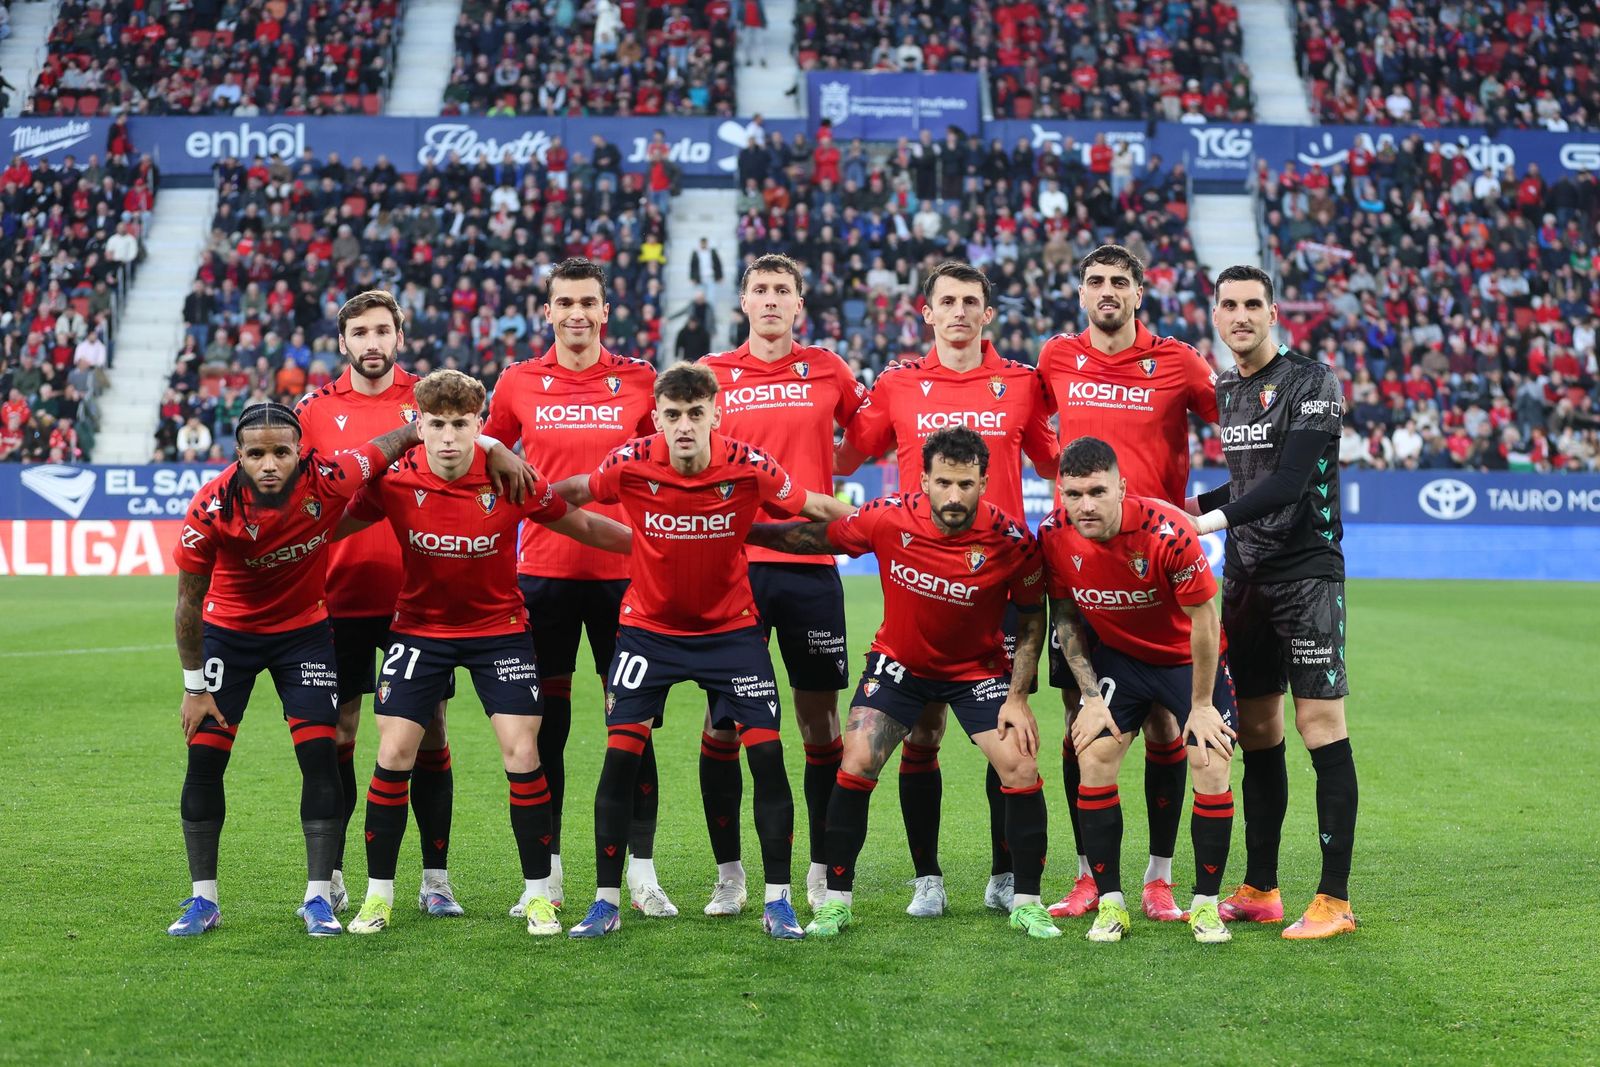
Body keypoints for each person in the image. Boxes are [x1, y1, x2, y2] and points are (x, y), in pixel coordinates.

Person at [551, 363, 850, 940]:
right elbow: (571, 495)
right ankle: (605, 901)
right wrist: (522, 493)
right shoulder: (630, 462)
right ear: (657, 417)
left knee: (766, 757)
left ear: (716, 412)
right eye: (672, 415)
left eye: (695, 414)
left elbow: (814, 506)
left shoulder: (749, 465)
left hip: (732, 634)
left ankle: (779, 900)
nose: (684, 426)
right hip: (648, 632)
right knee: (620, 759)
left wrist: (892, 526)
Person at [334, 370, 632, 936]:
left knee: (523, 754)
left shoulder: (512, 479)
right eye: (437, 425)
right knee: (394, 752)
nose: (449, 438)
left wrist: (653, 551)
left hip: (500, 630)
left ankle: (539, 894)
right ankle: (378, 897)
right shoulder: (394, 481)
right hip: (420, 631)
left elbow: (584, 525)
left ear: (479, 424)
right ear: (418, 425)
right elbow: (329, 523)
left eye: (462, 425)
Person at [748, 427, 1059, 940]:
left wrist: (1019, 698)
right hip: (900, 666)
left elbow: (1030, 622)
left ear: (985, 481)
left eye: (965, 484)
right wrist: (744, 531)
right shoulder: (890, 516)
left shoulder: (1012, 543)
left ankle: (1026, 900)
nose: (954, 496)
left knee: (1021, 766)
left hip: (975, 673)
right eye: (943, 483)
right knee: (857, 761)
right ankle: (837, 903)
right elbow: (812, 538)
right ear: (924, 480)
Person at [297, 290, 533, 917]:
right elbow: (304, 491)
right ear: (342, 342)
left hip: (420, 599)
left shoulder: (429, 396)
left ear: (399, 336)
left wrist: (494, 447)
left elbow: (463, 430)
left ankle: (435, 879)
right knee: (340, 733)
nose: (371, 343)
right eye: (359, 333)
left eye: (382, 331)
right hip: (341, 592)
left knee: (429, 734)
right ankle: (334, 875)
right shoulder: (313, 409)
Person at [836, 260, 1057, 916]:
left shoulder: (1019, 384)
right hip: (922, 576)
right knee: (922, 734)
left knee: (1007, 739)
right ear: (925, 312)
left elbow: (1054, 460)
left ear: (988, 312)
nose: (959, 311)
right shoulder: (899, 384)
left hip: (1000, 582)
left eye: (971, 301)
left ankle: (1004, 875)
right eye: (947, 301)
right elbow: (849, 453)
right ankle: (927, 877)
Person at [167, 402, 425, 938]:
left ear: (301, 452)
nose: (268, 464)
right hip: (228, 638)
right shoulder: (212, 508)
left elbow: (393, 443)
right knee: (205, 760)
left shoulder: (329, 478)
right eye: (255, 453)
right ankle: (202, 901)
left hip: (304, 635)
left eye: (281, 452)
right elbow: (187, 606)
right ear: (237, 456)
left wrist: (474, 439)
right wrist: (194, 688)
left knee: (320, 756)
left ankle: (317, 898)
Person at [1034, 244, 1221, 922]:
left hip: (1160, 565)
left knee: (1172, 729)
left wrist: (1205, 509)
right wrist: (1063, 491)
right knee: (1082, 725)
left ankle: (1160, 876)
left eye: (1118, 282)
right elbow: (1028, 428)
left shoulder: (1179, 362)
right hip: (1083, 571)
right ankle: (1088, 874)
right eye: (1094, 282)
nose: (1106, 291)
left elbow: (1237, 430)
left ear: (1140, 291)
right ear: (1081, 292)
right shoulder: (1056, 358)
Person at [481, 259, 666, 916]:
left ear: (606, 309)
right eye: (566, 302)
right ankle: (548, 873)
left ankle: (641, 873)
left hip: (627, 580)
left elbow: (664, 466)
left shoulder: (642, 379)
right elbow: (483, 455)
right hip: (542, 580)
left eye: (589, 301)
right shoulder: (518, 381)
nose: (577, 313)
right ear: (549, 311)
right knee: (544, 728)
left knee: (632, 726)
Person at [1188, 264, 1358, 940]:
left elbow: (1288, 481)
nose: (1240, 315)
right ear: (1217, 313)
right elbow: (1242, 483)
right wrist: (1178, 508)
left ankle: (1334, 899)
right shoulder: (1228, 385)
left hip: (1307, 572)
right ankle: (1261, 885)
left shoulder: (1312, 381)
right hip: (1247, 578)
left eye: (1252, 303)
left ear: (1273, 311)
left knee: (1321, 725)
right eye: (1229, 304)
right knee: (1258, 731)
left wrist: (1202, 523)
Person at [698, 253, 868, 914]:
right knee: (722, 724)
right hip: (731, 568)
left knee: (820, 725)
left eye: (782, 291)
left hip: (811, 568)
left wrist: (829, 467)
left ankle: (822, 868)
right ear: (744, 302)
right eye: (760, 289)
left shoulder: (827, 367)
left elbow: (864, 436)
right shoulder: (713, 373)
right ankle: (730, 872)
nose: (771, 300)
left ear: (799, 303)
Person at [1041, 436, 1237, 944]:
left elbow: (1205, 623)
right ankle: (1111, 903)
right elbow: (1065, 618)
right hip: (1121, 662)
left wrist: (1199, 706)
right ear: (1060, 492)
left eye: (1097, 492)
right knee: (1093, 754)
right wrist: (1087, 698)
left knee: (1211, 760)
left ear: (1121, 488)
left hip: (1184, 661)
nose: (1085, 505)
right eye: (1073, 493)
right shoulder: (1054, 535)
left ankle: (1205, 906)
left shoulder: (1167, 531)